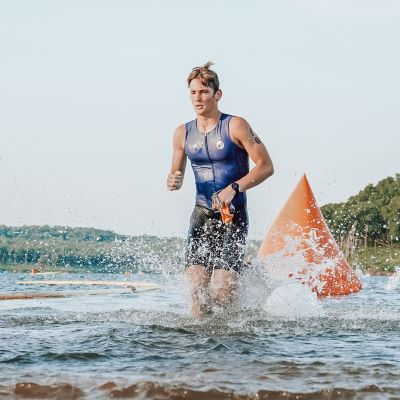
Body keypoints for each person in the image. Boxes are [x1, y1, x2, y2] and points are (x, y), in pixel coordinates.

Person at [167, 62, 274, 317]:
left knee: (221, 293)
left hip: (232, 215)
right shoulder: (182, 132)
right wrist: (174, 179)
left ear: (218, 94)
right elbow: (176, 173)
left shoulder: (235, 125)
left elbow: (266, 166)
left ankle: (245, 273)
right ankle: (202, 352)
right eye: (193, 93)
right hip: (201, 214)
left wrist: (234, 188)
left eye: (203, 92)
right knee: (197, 292)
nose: (198, 98)